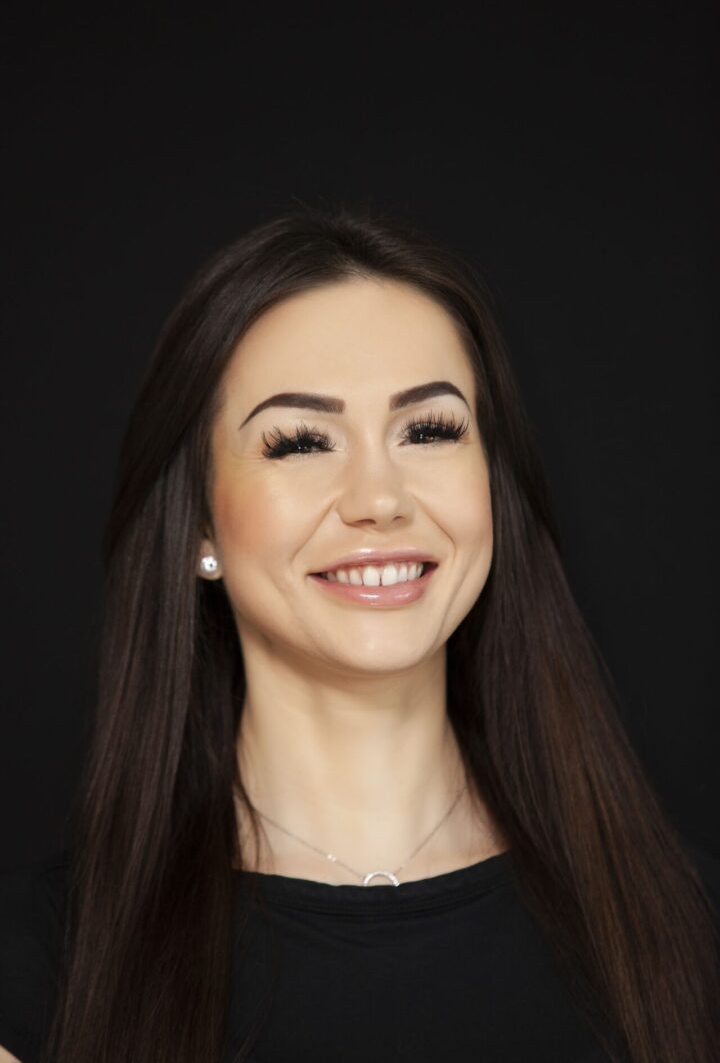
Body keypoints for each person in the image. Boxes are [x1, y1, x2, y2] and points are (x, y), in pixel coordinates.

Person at [0, 204, 718, 1063]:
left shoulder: (689, 930)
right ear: (198, 523)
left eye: (430, 430)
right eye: (301, 442)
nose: (379, 496)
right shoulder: (39, 974)